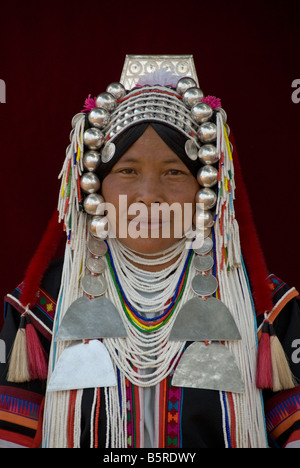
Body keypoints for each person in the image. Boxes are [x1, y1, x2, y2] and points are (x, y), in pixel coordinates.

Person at [0, 55, 300, 449]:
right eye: (127, 171)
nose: (149, 196)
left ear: (205, 189)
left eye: (174, 172)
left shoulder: (265, 310)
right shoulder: (41, 309)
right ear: (95, 186)